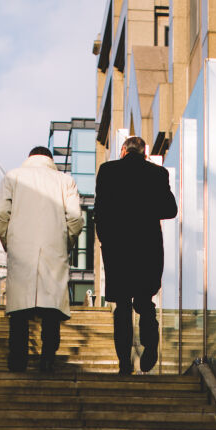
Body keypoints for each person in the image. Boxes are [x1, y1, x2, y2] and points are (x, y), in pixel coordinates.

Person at [0, 146, 84, 373]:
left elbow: (0, 215)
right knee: (51, 311)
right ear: (50, 160)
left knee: (19, 312)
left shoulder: (12, 177)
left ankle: (17, 361)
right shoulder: (65, 181)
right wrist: (66, 242)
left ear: (29, 158)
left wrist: (8, 240)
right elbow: (75, 219)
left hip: (21, 248)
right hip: (54, 249)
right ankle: (47, 359)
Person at [92, 135, 178, 374]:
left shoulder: (108, 171)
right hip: (147, 248)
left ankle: (123, 362)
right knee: (144, 301)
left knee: (122, 305)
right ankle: (150, 344)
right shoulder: (157, 174)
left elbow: (100, 210)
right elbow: (170, 210)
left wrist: (105, 239)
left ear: (123, 151)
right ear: (145, 152)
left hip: (118, 248)